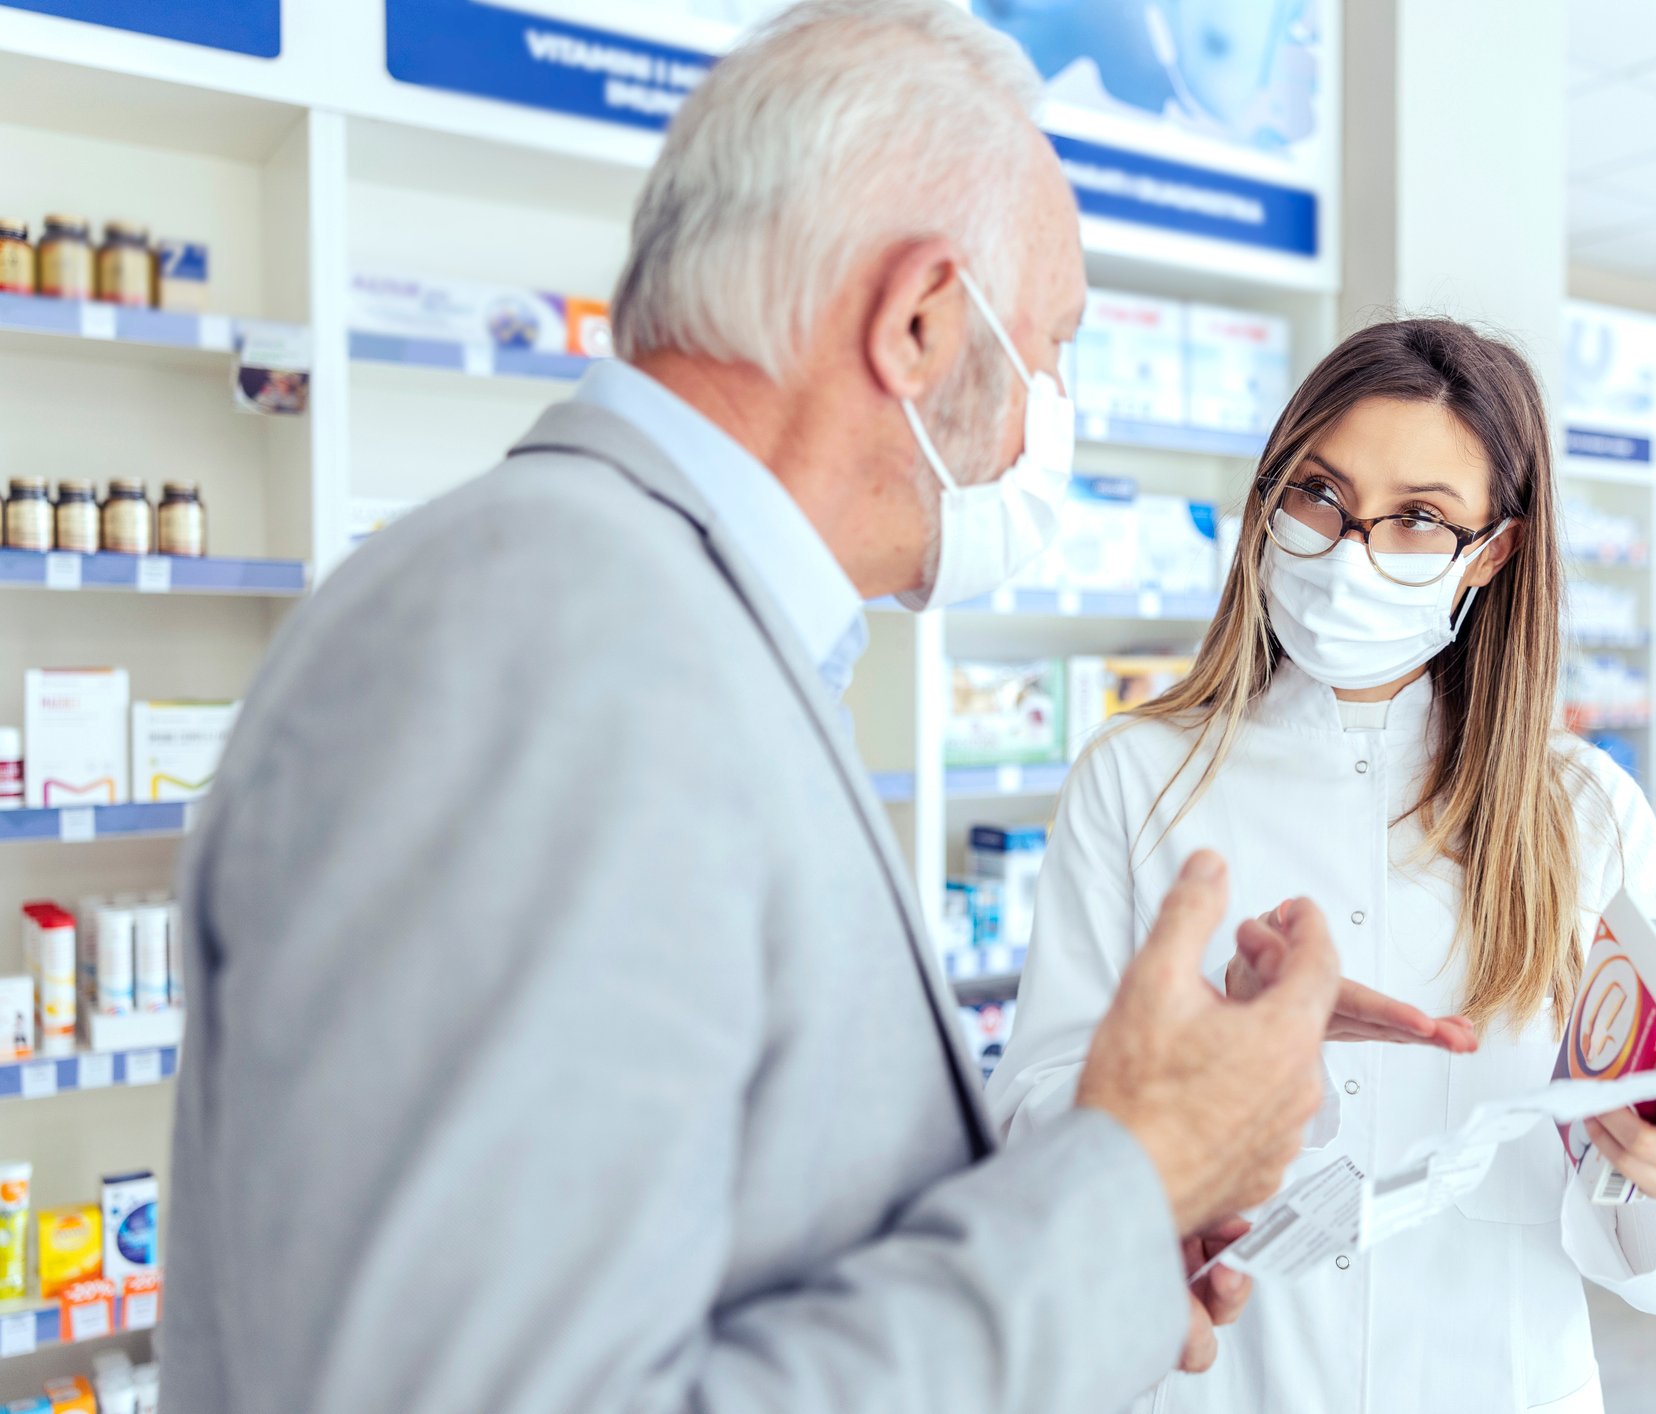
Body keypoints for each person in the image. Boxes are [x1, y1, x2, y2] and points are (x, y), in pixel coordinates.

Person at [159, 4, 1359, 1409]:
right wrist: (1134, 1170)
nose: (1050, 406)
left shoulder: (685, 629)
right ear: (919, 322)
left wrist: (1109, 1202)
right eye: (1051, 346)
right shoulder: (551, 631)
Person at [990, 318, 1656, 1414]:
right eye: (1320, 494)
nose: (1350, 549)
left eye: (1421, 520)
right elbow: (1031, 1122)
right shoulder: (1137, 777)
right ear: (1268, 500)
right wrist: (1190, 1074)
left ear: (1491, 554)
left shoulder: (1581, 811)